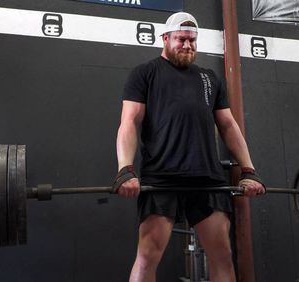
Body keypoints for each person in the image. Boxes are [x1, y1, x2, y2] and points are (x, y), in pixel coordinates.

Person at [113, 12, 265, 282]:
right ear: (166, 38)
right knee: (147, 256)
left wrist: (248, 170)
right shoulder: (144, 74)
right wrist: (125, 169)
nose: (187, 45)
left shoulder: (208, 78)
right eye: (181, 39)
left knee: (222, 256)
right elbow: (129, 123)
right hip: (162, 178)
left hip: (206, 178)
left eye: (192, 41)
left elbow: (228, 126)